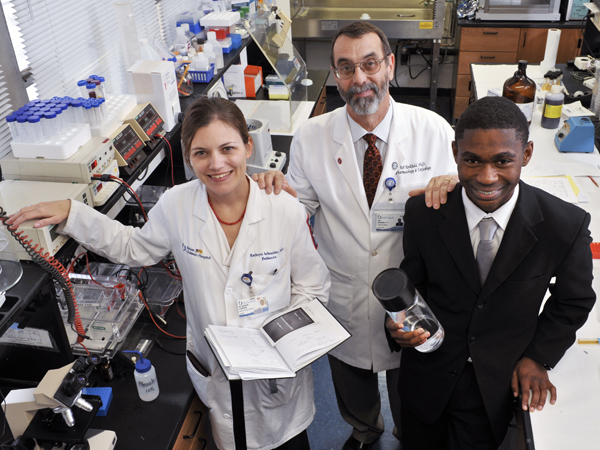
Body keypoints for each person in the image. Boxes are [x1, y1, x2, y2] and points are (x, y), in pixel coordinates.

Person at [7, 97, 331, 450]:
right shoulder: (178, 204)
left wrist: (282, 342)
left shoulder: (283, 208)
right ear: (189, 157)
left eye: (228, 148)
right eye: (201, 153)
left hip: (275, 379)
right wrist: (74, 213)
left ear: (248, 146)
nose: (217, 163)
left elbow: (313, 288)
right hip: (217, 372)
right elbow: (133, 248)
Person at [254, 21, 457, 450]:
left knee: (412, 384)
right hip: (342, 288)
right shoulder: (312, 135)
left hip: (411, 292)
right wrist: (279, 193)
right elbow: (302, 206)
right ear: (335, 74)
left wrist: (452, 188)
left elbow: (460, 206)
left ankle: (408, 433)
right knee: (350, 376)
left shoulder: (433, 130)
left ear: (389, 66)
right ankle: (366, 432)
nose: (359, 79)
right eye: (346, 68)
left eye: (369, 64)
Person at [386, 96, 596, 449]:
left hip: (495, 386)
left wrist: (538, 356)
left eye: (503, 161)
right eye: (472, 160)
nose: (486, 177)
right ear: (455, 152)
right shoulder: (423, 213)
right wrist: (398, 326)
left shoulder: (564, 225)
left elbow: (574, 301)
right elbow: (413, 284)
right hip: (428, 379)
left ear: (526, 154)